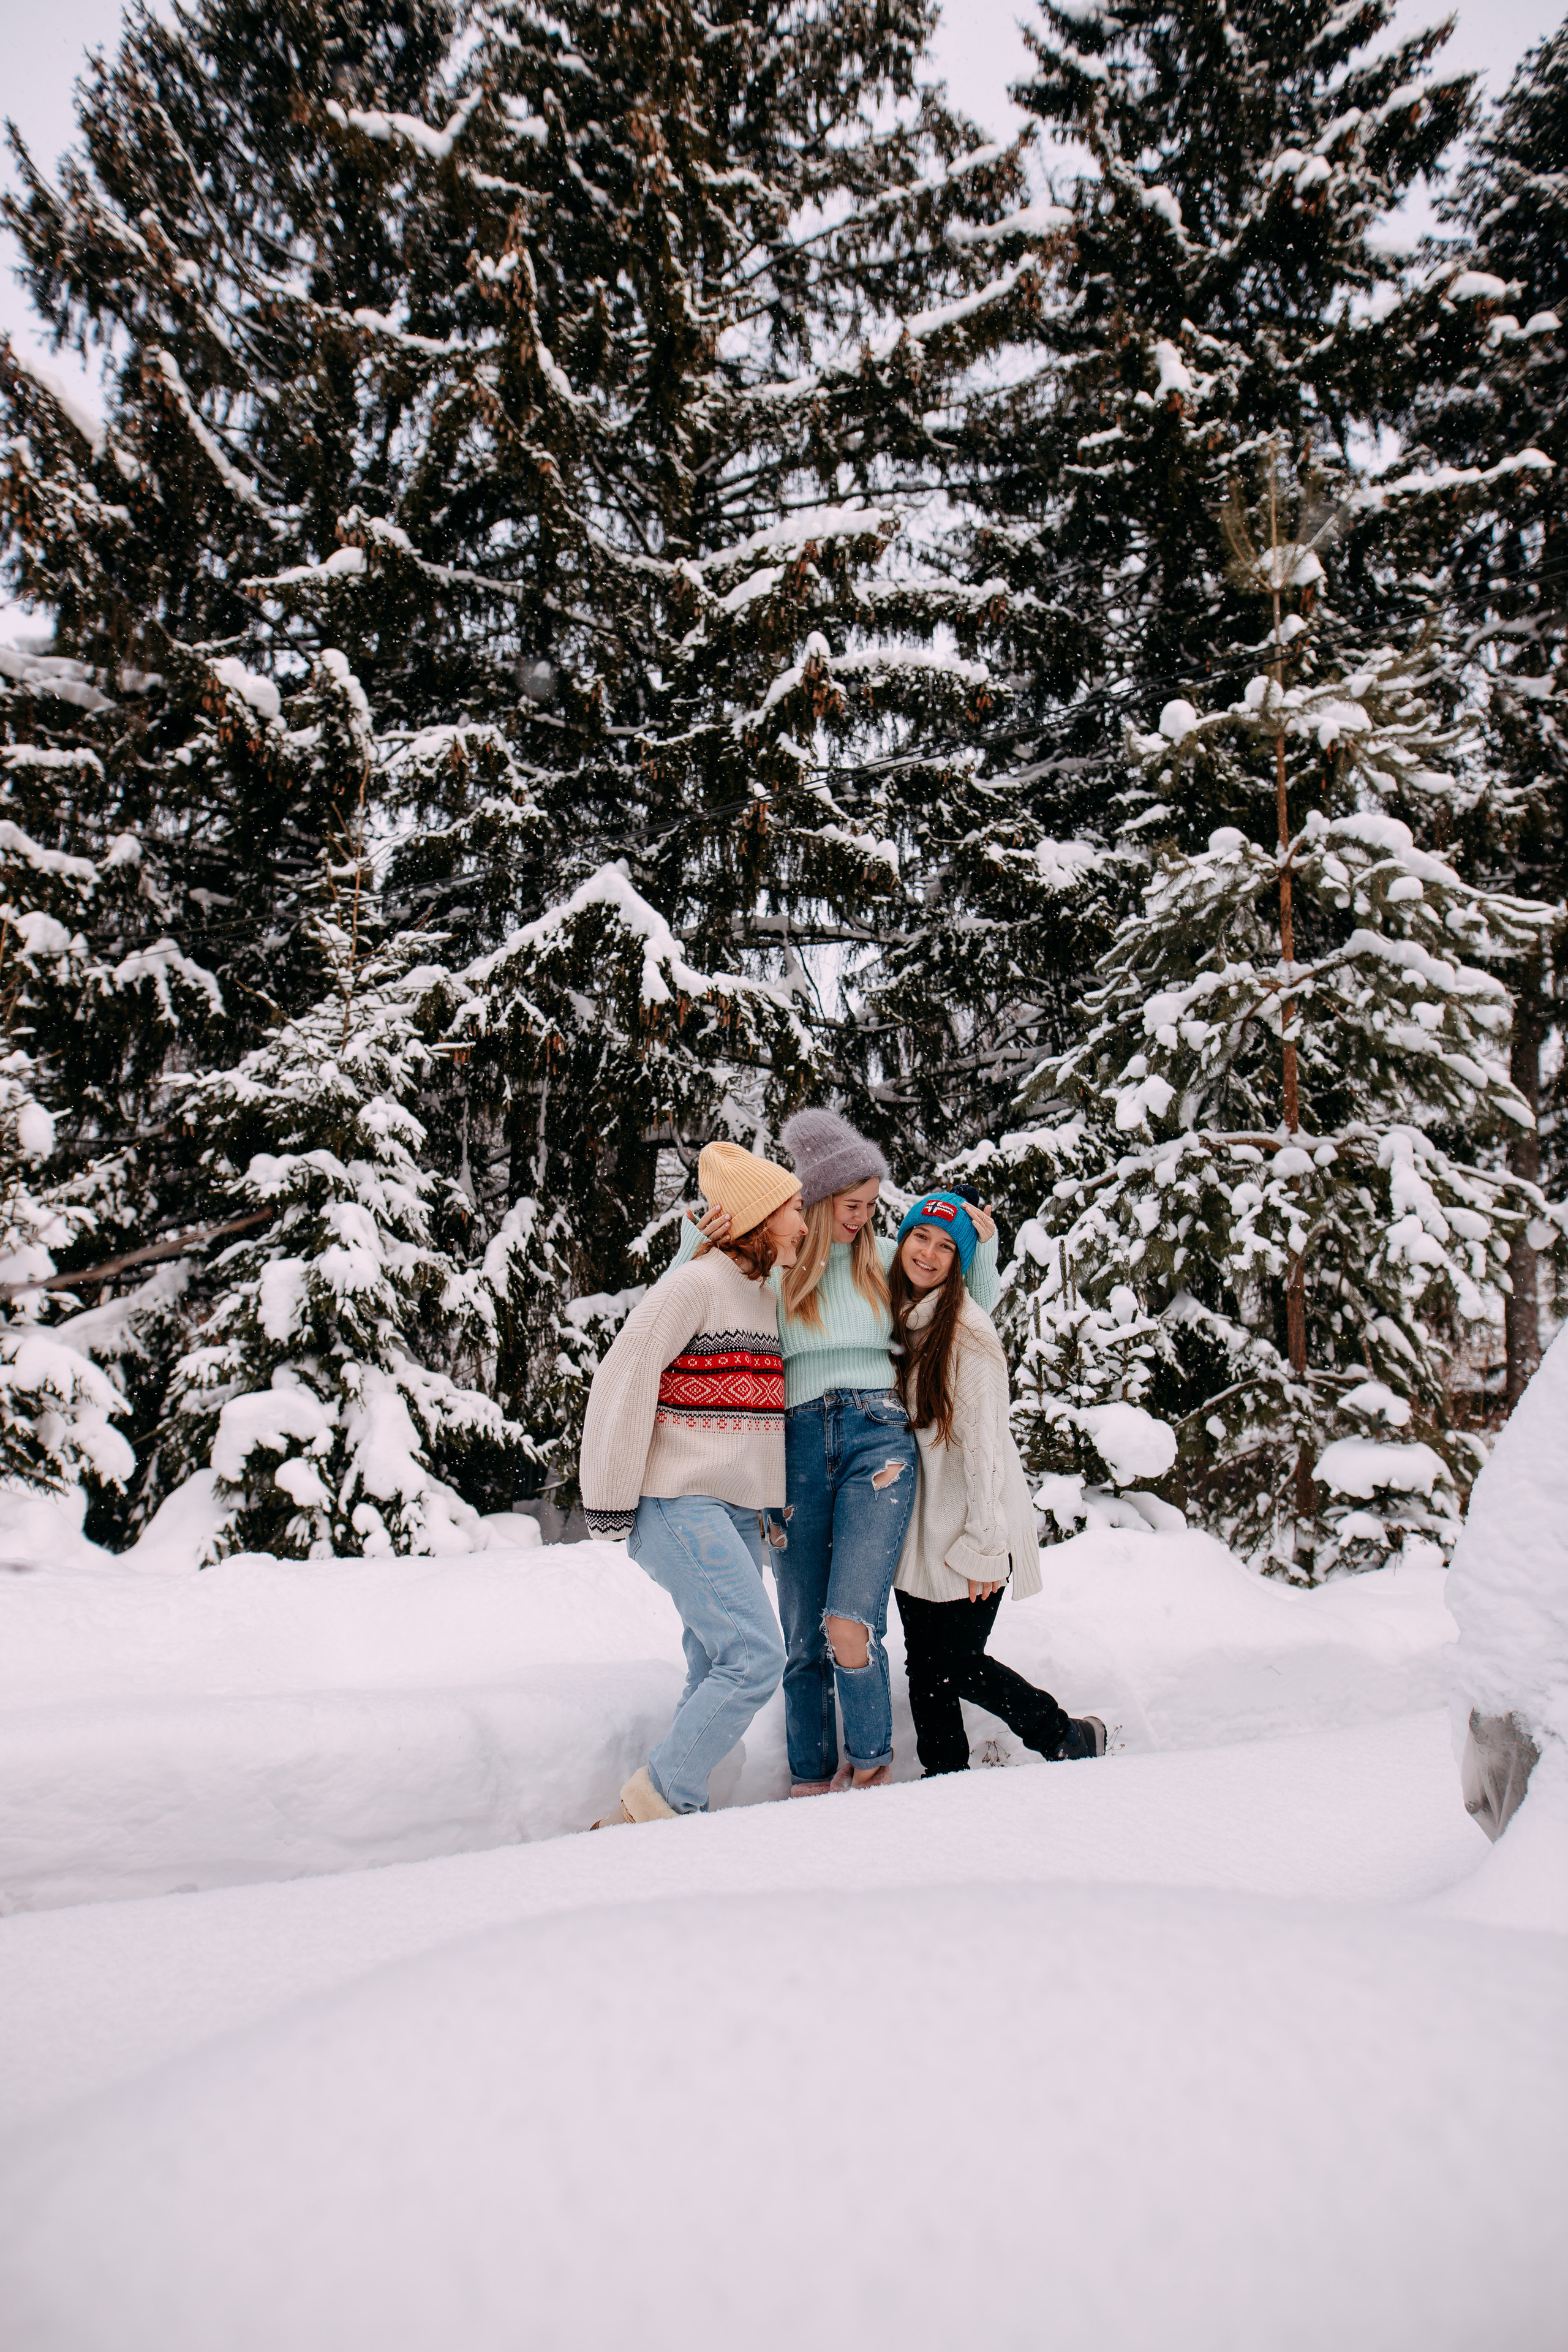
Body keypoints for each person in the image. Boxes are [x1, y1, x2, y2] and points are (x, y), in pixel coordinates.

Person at [672, 1110, 1000, 1794]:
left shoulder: (885, 1260)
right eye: (851, 1206)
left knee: (851, 1622)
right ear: (815, 1202)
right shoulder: (774, 1262)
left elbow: (962, 1317)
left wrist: (984, 1255)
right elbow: (681, 1306)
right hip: (788, 1445)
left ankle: (873, 1764)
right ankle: (810, 1780)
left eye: (873, 1207)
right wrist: (692, 1245)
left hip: (878, 1439)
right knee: (800, 1639)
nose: (863, 1219)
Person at [579, 1141, 807, 1826]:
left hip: (734, 1511)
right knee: (755, 1656)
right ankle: (657, 1801)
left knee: (716, 1663)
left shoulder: (762, 1296)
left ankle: (670, 1818)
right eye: (795, 1210)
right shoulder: (692, 1285)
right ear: (761, 1219)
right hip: (680, 1501)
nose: (804, 1223)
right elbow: (622, 1380)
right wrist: (611, 1503)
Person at [889, 1190, 1106, 1773]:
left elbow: (985, 1446)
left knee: (954, 1662)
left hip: (974, 1524)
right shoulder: (904, 1317)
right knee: (925, 1664)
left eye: (945, 1247)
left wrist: (987, 1547)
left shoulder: (967, 1331)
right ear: (902, 1239)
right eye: (920, 1237)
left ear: (959, 1265)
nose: (929, 1254)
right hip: (923, 1528)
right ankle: (945, 1776)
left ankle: (1066, 1735)